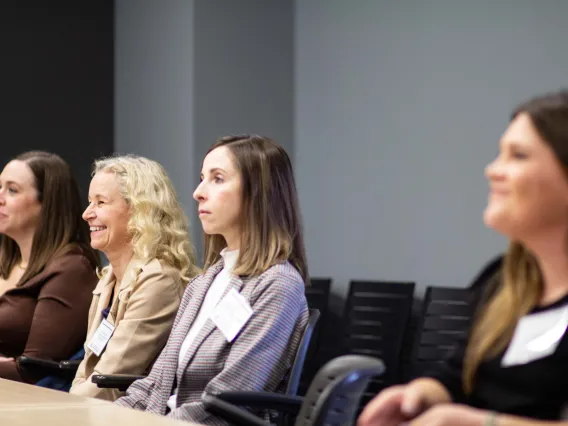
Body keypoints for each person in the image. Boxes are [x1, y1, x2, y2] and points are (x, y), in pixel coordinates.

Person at [358, 89, 568, 426]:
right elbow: (456, 376)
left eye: (518, 155)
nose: (492, 170)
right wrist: (422, 394)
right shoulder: (502, 280)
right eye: (499, 154)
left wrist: (474, 423)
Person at [115, 135, 309, 425]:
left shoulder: (278, 285)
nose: (198, 192)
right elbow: (157, 381)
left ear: (259, 193)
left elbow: (228, 401)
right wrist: (106, 414)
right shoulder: (203, 282)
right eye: (202, 178)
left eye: (217, 179)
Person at [70, 155, 199, 401]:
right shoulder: (108, 277)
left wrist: (62, 411)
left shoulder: (158, 279)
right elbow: (87, 369)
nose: (87, 214)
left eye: (101, 202)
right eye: (90, 202)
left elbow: (110, 380)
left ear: (141, 210)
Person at [0, 151, 99, 382]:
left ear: (47, 204)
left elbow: (34, 369)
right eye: (0, 187)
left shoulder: (72, 268)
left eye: (12, 190)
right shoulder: (7, 260)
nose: (0, 197)